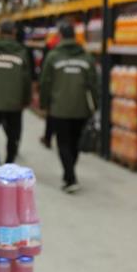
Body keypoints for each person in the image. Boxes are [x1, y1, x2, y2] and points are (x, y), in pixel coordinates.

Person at [40, 21, 99, 193]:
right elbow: (94, 84)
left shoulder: (53, 57)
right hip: (81, 108)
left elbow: (45, 82)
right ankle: (69, 173)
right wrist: (94, 105)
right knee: (74, 142)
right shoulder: (86, 58)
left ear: (60, 36)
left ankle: (70, 176)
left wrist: (44, 103)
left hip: (59, 108)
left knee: (63, 142)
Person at [0, 20, 32, 163]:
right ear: (14, 33)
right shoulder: (21, 51)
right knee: (13, 132)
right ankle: (9, 161)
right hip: (15, 101)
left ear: (0, 33)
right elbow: (26, 79)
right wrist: (26, 99)